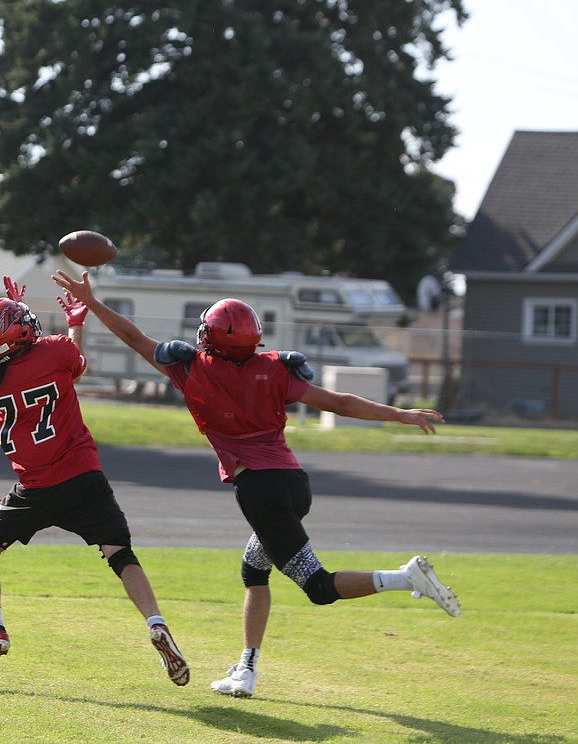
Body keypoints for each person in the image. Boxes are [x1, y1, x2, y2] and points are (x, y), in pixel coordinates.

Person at [52, 269, 461, 699]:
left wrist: (91, 305)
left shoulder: (192, 369)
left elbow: (134, 338)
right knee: (254, 569)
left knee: (318, 587)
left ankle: (405, 578)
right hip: (293, 484)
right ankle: (245, 669)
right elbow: (339, 402)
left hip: (259, 492)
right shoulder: (276, 368)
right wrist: (401, 414)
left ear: (209, 336)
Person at [0, 277, 190, 686]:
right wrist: (75, 321)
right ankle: (156, 623)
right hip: (83, 476)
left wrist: (7, 327)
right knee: (121, 554)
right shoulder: (56, 351)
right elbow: (74, 365)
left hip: (35, 487)